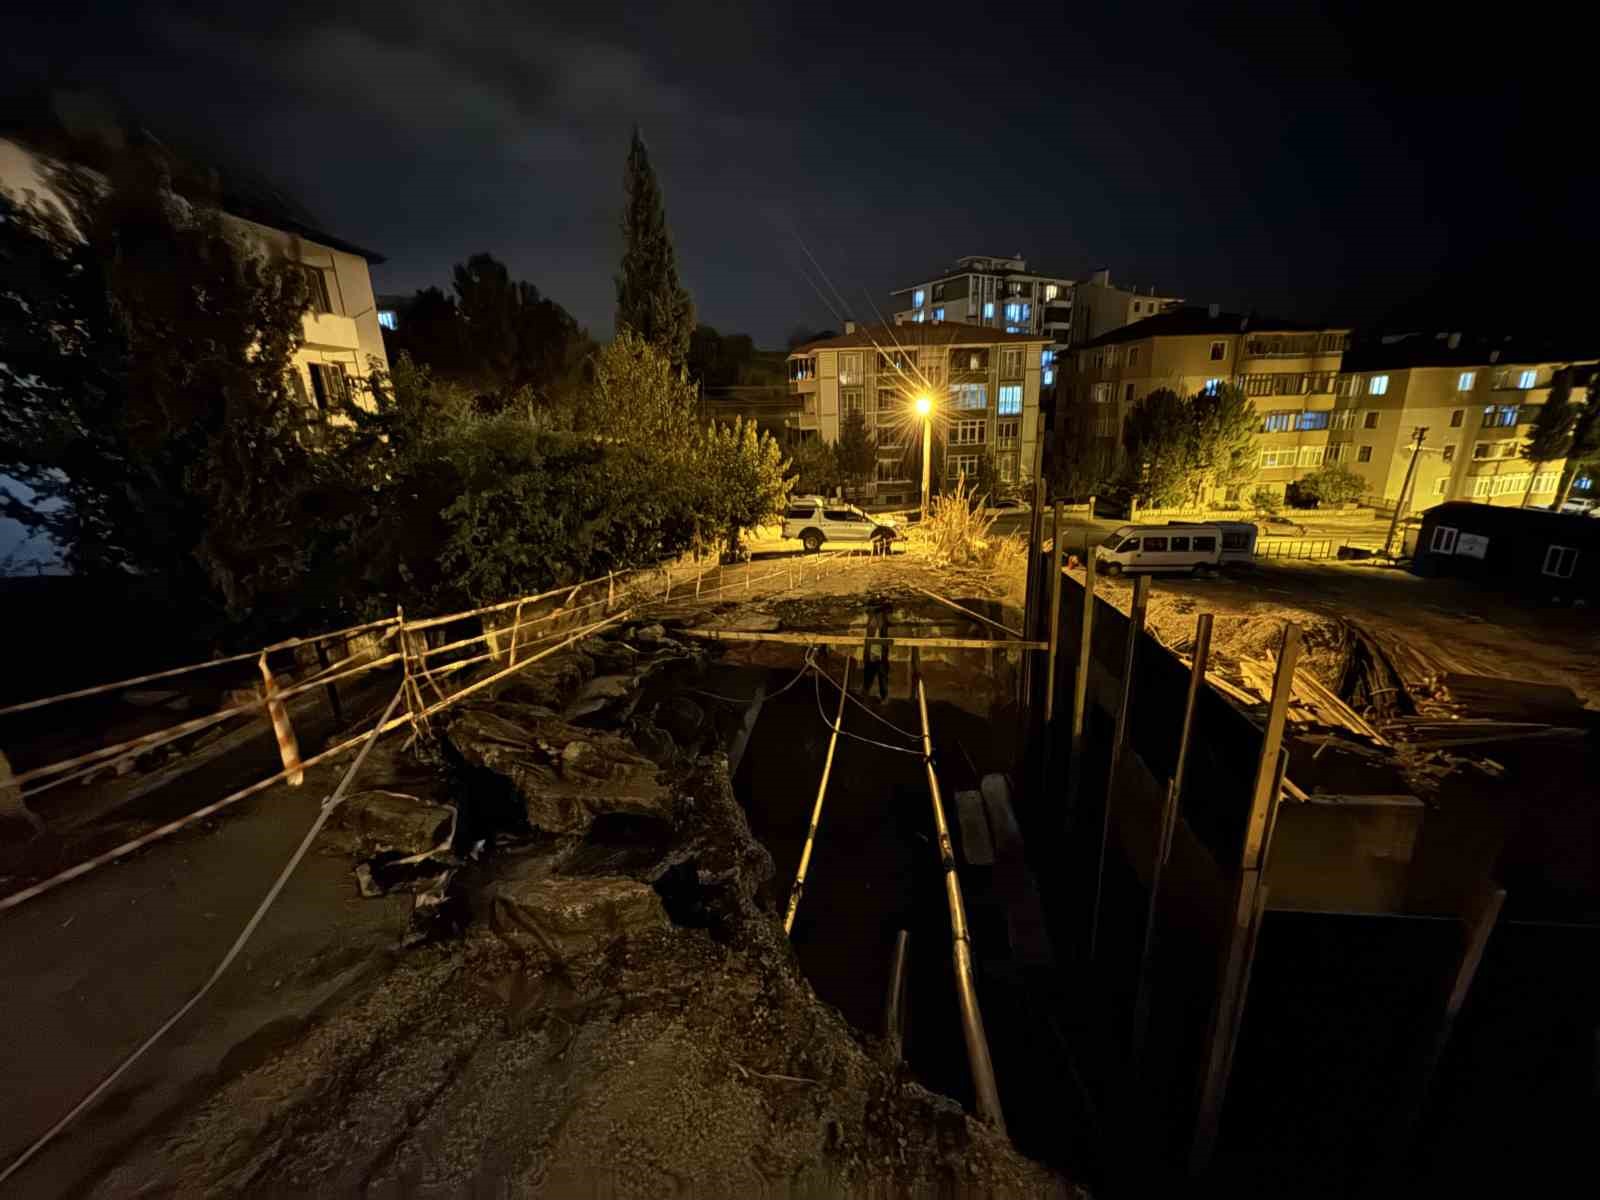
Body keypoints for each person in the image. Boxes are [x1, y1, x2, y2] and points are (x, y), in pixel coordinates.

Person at [861, 606, 891, 701]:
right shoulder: (873, 626)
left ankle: (884, 697)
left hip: (879, 657)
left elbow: (884, 643)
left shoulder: (882, 627)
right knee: (868, 678)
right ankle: (866, 696)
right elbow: (868, 643)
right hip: (873, 656)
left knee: (882, 679)